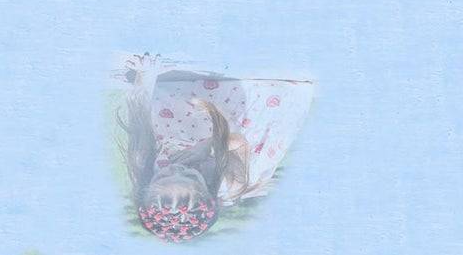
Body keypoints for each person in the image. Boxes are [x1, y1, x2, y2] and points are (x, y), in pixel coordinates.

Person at [115, 54, 314, 244]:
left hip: (182, 133)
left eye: (162, 176)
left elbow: (139, 115)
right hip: (233, 144)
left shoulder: (143, 166)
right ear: (208, 190)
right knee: (262, 95)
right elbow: (237, 141)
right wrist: (204, 147)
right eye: (190, 176)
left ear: (146, 188)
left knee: (167, 97)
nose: (176, 168)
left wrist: (146, 74)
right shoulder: (230, 183)